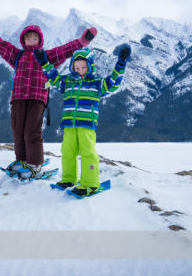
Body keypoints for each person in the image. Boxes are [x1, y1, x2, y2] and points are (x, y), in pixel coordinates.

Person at [0, 17, 97, 179]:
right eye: (28, 37)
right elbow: (1, 46)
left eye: (34, 37)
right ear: (23, 40)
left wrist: (81, 42)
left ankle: (35, 164)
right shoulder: (17, 55)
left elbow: (64, 51)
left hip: (38, 97)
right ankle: (22, 160)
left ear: (40, 40)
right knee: (18, 129)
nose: (31, 40)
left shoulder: (47, 56)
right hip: (18, 97)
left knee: (32, 129)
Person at [33, 45, 131, 196]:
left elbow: (113, 83)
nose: (79, 70)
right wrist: (44, 62)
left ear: (90, 66)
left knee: (87, 153)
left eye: (83, 67)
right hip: (69, 124)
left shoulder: (97, 83)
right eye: (76, 67)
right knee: (67, 151)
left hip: (87, 124)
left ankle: (90, 183)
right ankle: (69, 178)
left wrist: (121, 63)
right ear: (72, 67)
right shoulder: (67, 82)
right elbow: (54, 77)